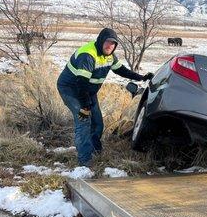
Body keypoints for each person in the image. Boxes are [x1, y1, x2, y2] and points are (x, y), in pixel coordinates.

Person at [57, 28, 153, 167]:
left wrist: (141, 77)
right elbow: (81, 83)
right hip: (71, 89)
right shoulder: (88, 55)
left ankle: (95, 151)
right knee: (84, 121)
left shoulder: (109, 56)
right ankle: (85, 162)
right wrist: (85, 106)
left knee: (97, 123)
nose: (110, 46)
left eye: (113, 44)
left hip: (88, 90)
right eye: (107, 42)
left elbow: (121, 70)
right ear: (101, 41)